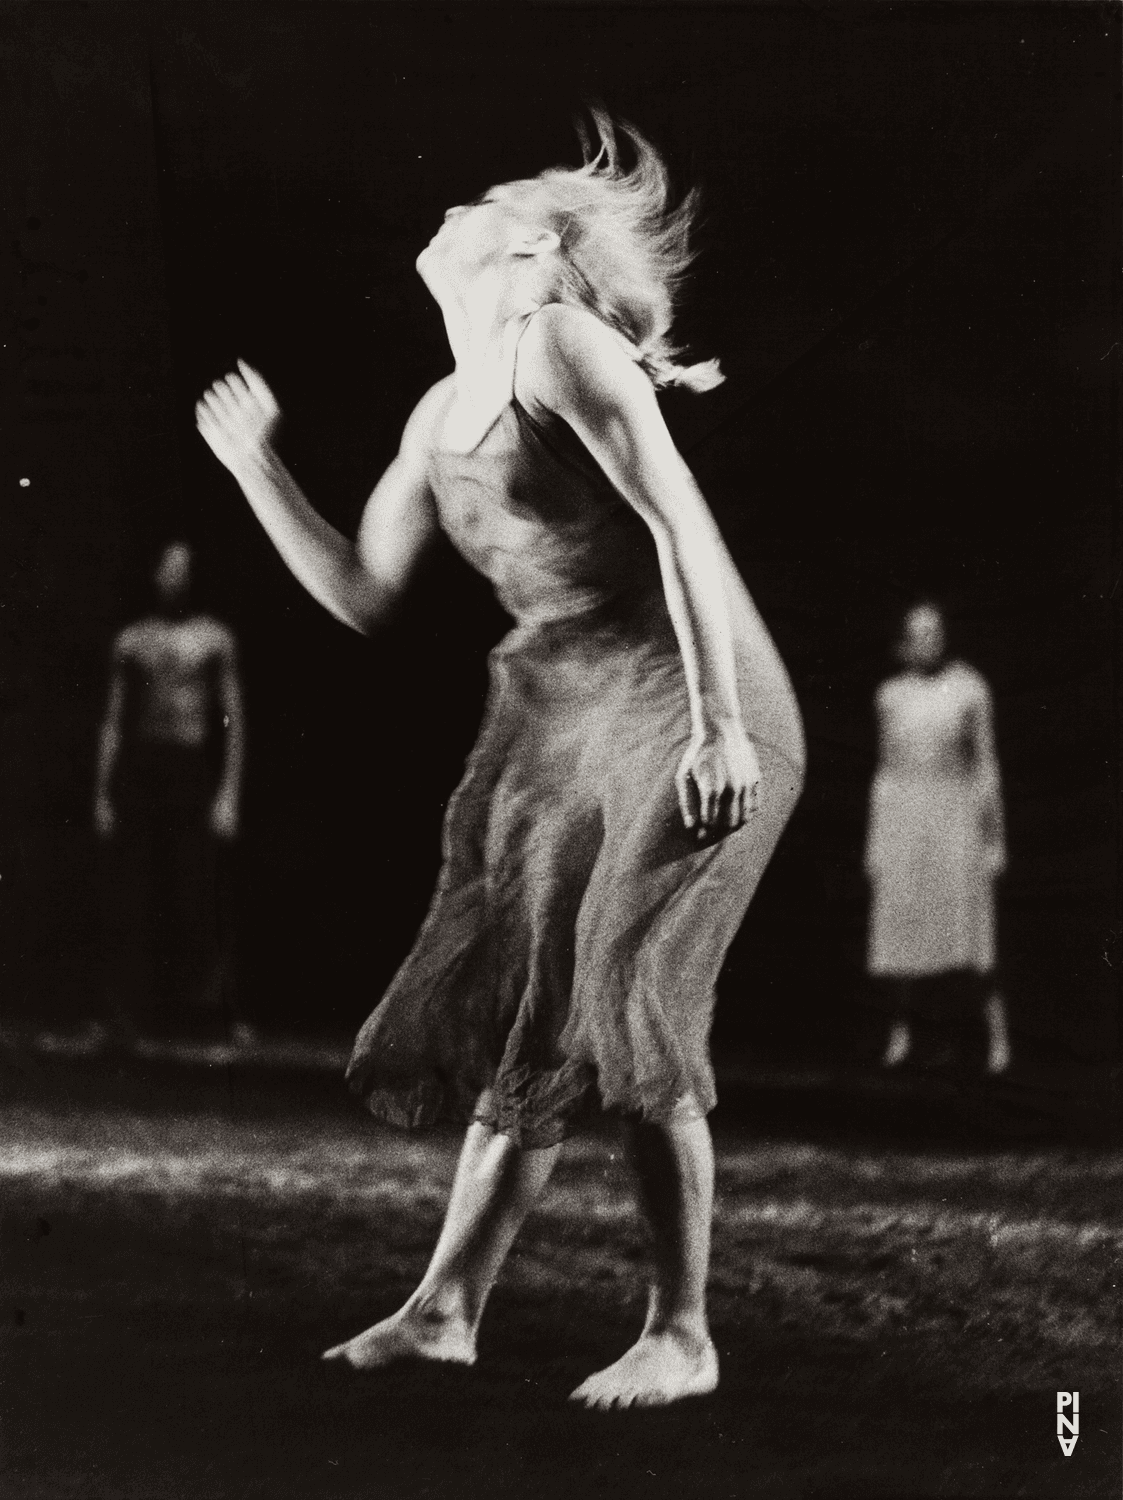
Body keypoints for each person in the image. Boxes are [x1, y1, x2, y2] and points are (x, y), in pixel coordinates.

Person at [196, 112, 804, 1408]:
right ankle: (443, 1310)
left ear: (529, 246)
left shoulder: (559, 346)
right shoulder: (434, 418)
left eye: (479, 200)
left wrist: (715, 729)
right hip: (571, 710)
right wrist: (257, 470)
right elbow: (363, 592)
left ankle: (682, 1333)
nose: (451, 211)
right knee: (537, 1014)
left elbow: (681, 533)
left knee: (620, 996)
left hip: (695, 693)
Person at [93, 541, 247, 1043]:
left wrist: (228, 793)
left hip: (191, 768)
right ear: (155, 575)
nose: (174, 578)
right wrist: (103, 792)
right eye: (167, 568)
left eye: (183, 568)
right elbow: (114, 720)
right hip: (144, 767)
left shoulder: (213, 638)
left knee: (195, 890)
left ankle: (204, 1017)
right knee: (136, 891)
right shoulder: (133, 640)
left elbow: (234, 718)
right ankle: (128, 1016)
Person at [864, 601, 1011, 1075]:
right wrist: (876, 841)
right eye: (916, 633)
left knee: (970, 934)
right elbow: (884, 772)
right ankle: (901, 1036)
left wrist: (994, 838)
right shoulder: (890, 695)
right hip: (905, 819)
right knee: (902, 926)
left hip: (956, 818)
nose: (925, 641)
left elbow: (986, 765)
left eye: (933, 632)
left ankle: (996, 1039)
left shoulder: (969, 689)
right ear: (904, 640)